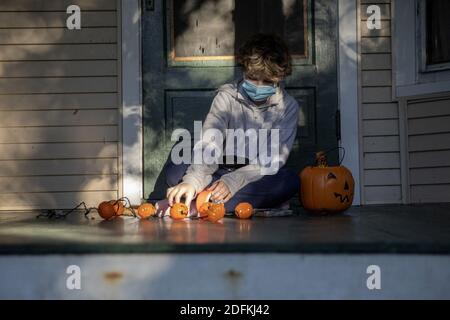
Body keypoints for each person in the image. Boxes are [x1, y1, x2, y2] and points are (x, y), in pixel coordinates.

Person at [165, 33, 300, 212]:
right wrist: (193, 180)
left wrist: (232, 182)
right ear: (244, 70)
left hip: (252, 176)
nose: (259, 86)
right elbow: (209, 142)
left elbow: (270, 159)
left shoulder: (288, 107)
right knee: (176, 171)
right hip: (217, 168)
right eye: (252, 78)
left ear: (280, 78)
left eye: (267, 81)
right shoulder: (226, 96)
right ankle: (217, 201)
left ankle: (194, 205)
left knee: (290, 181)